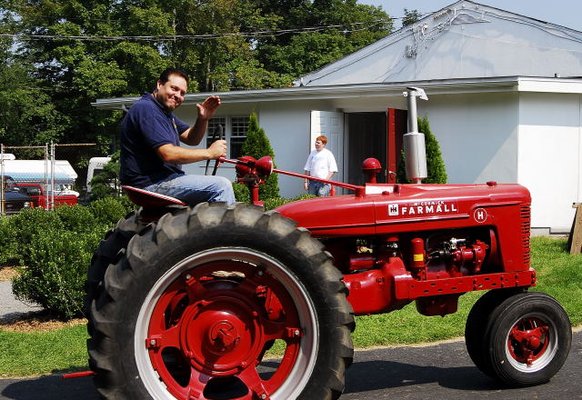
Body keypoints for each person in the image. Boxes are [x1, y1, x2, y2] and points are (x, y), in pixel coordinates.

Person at [120, 67, 235, 205]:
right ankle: (226, 227)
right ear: (159, 84)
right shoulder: (146, 109)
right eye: (174, 88)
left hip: (163, 179)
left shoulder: (164, 113)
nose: (178, 95)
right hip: (151, 183)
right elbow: (168, 154)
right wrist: (210, 153)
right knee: (221, 186)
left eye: (182, 93)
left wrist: (203, 119)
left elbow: (192, 138)